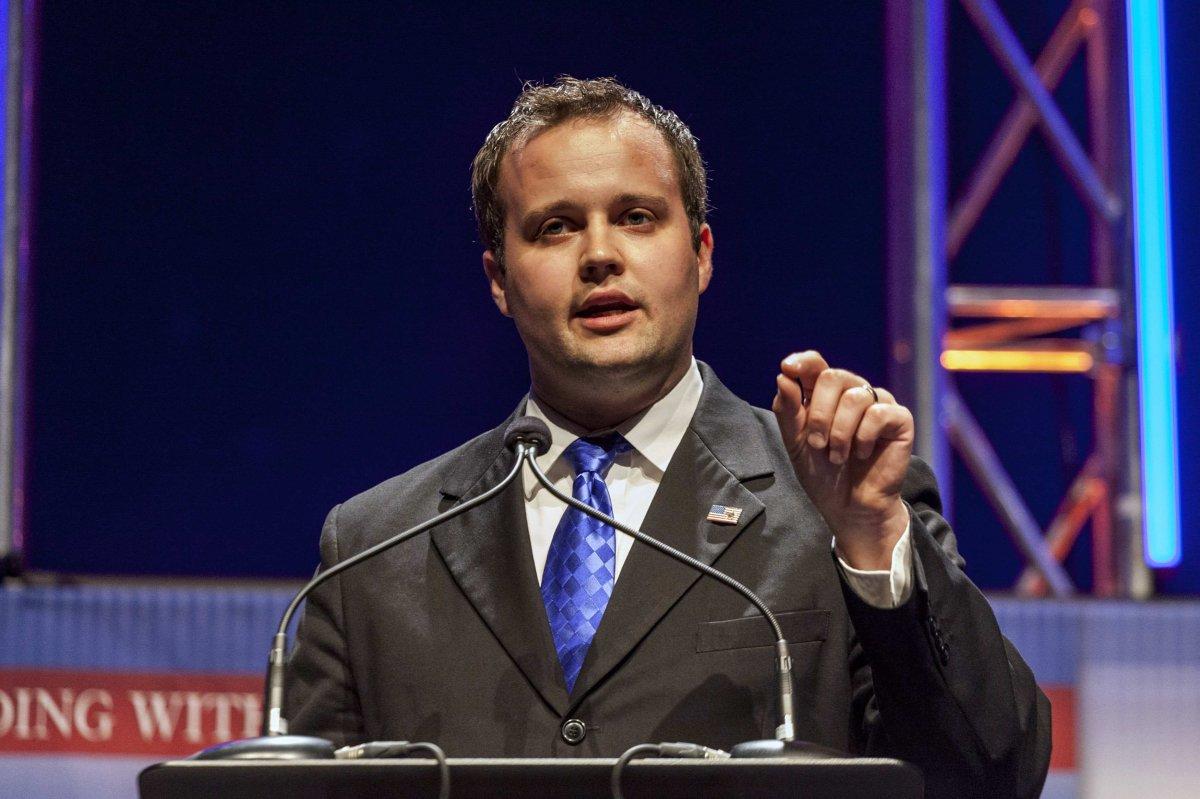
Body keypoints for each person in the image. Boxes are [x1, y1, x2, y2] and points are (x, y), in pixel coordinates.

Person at [287, 76, 1051, 797]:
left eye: (636, 217)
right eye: (555, 227)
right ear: (498, 277)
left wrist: (873, 538)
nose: (599, 254)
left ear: (702, 254)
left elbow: (993, 773)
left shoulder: (834, 503)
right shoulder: (373, 549)